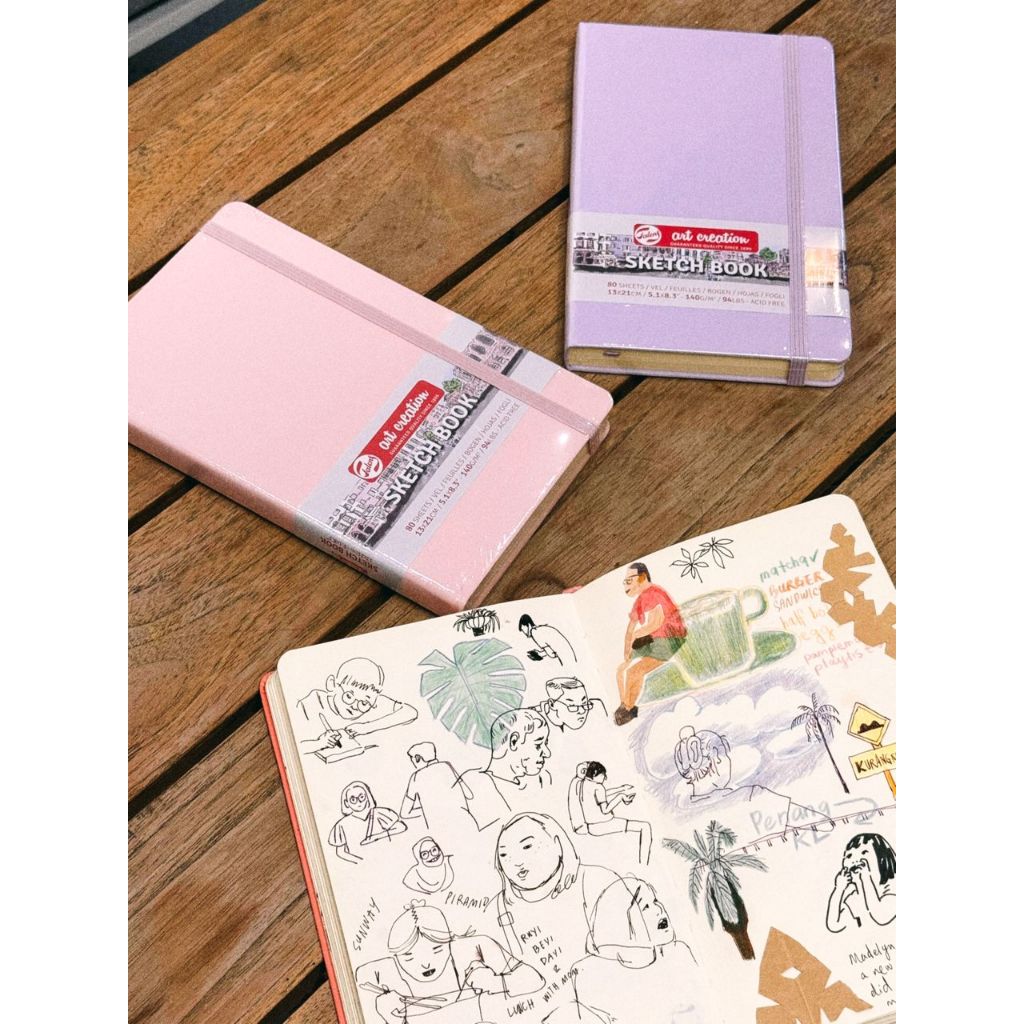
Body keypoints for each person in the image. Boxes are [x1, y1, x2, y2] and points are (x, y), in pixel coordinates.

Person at [355, 900, 543, 1023]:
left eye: (437, 949)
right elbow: (359, 979)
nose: (425, 964)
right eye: (409, 957)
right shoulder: (386, 971)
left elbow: (535, 979)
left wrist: (496, 982)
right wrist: (389, 1014)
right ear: (396, 957)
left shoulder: (474, 948)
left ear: (449, 941)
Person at [558, 877, 699, 1024]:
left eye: (655, 901)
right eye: (645, 907)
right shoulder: (591, 977)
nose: (659, 909)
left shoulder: (680, 952)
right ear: (622, 928)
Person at [493, 813, 619, 966]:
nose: (516, 862)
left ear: (558, 844)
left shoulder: (596, 881)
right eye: (504, 855)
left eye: (527, 847)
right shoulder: (498, 907)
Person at [673, 726, 830, 845]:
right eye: (726, 755)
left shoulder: (685, 814)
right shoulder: (747, 795)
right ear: (717, 759)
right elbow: (808, 818)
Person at [615, 564, 687, 726]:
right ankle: (626, 705)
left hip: (669, 639)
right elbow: (631, 626)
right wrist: (627, 650)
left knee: (634, 672)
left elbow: (656, 622)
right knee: (622, 670)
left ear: (642, 577)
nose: (626, 586)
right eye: (625, 582)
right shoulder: (640, 600)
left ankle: (627, 708)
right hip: (653, 638)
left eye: (629, 581)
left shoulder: (654, 593)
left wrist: (635, 636)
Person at [297, 657, 417, 751]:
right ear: (332, 684)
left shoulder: (370, 699)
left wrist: (366, 727)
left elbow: (410, 712)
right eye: (349, 696)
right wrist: (319, 743)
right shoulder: (312, 703)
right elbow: (295, 746)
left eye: (363, 703)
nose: (354, 706)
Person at [460, 709, 552, 830]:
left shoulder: (541, 780)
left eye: (546, 743)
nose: (547, 753)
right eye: (538, 745)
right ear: (514, 741)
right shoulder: (473, 784)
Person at [568, 761, 651, 865]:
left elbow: (600, 796)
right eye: (603, 774)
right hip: (603, 825)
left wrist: (621, 789)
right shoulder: (598, 787)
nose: (605, 778)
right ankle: (644, 863)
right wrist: (620, 797)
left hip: (591, 827)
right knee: (645, 827)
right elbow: (605, 810)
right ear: (595, 774)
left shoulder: (584, 784)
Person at [826, 833, 896, 932]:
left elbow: (881, 916)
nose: (855, 860)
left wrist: (866, 877)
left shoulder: (892, 894)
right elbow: (834, 925)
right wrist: (839, 889)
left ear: (882, 859)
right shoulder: (852, 898)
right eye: (849, 855)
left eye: (864, 852)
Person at [328, 781, 406, 864]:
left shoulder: (379, 813)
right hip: (361, 865)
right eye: (353, 799)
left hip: (386, 859)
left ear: (367, 796)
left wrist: (376, 837)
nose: (358, 802)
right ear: (346, 803)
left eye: (361, 797)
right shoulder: (341, 825)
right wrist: (360, 862)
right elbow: (341, 852)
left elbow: (401, 827)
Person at [400, 742, 473, 830]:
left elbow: (405, 813)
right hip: (467, 823)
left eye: (412, 759)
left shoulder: (415, 777)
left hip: (441, 829)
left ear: (418, 758)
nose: (412, 762)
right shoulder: (447, 765)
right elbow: (469, 795)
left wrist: (429, 810)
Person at [536, 677, 605, 733]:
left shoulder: (597, 707)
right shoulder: (535, 722)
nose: (582, 711)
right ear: (552, 704)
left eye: (584, 703)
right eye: (572, 706)